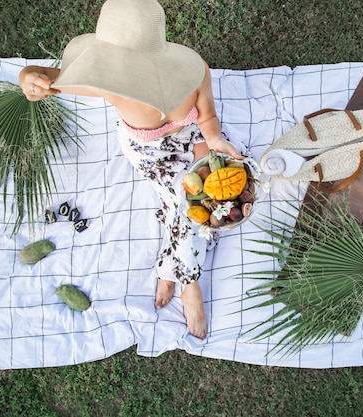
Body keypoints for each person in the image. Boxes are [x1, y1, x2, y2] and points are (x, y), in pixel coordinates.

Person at [19, 0, 241, 339]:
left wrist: (214, 140)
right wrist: (28, 78)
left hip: (193, 136)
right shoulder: (109, 82)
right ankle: (189, 282)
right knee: (189, 205)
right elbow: (49, 80)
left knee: (209, 200)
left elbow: (207, 117)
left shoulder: (195, 70)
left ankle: (171, 266)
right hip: (149, 152)